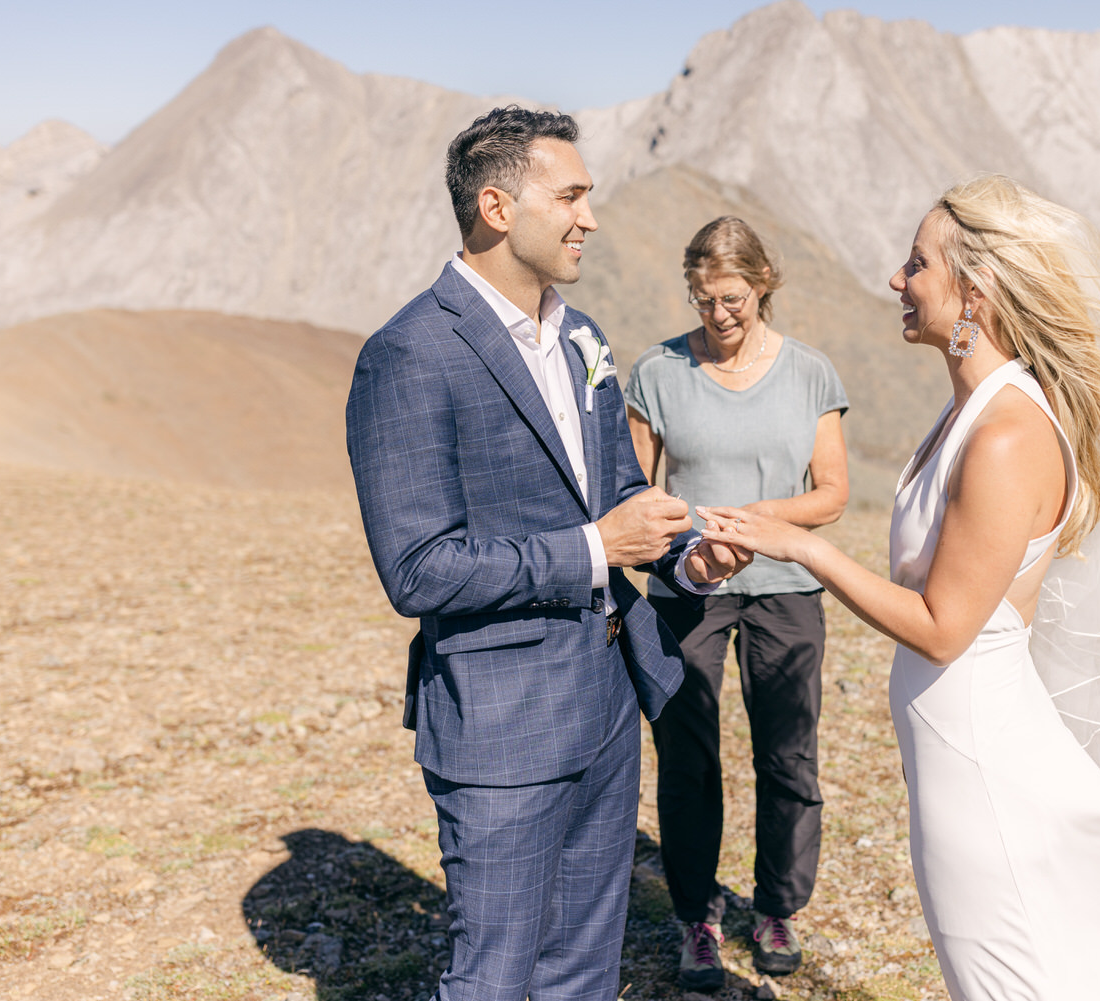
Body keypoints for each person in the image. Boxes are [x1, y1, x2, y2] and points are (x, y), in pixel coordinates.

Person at [699, 175, 1100, 1000]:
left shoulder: (1003, 434)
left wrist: (801, 549)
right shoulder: (972, 410)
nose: (896, 279)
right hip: (957, 755)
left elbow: (942, 627)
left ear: (975, 290)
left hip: (981, 764)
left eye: (916, 263)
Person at [345, 107, 750, 1001]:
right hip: (499, 726)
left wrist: (688, 559)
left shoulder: (586, 338)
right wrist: (593, 546)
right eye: (570, 196)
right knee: (493, 978)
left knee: (582, 971)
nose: (590, 218)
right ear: (497, 205)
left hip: (608, 708)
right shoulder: (408, 354)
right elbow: (418, 567)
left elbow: (614, 501)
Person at [623, 217, 849, 989]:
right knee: (688, 757)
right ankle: (696, 917)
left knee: (787, 751)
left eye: (732, 297)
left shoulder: (812, 373)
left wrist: (757, 526)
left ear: (762, 285)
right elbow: (635, 494)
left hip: (785, 585)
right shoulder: (655, 372)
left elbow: (833, 493)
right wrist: (695, 547)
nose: (718, 313)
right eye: (703, 298)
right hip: (688, 588)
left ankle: (778, 906)